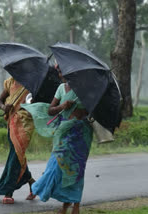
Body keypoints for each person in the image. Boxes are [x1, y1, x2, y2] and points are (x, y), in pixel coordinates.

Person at [22, 65, 93, 214]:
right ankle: (61, 202)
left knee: (76, 168)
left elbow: (91, 110)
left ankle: (75, 206)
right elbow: (50, 110)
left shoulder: (84, 89)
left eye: (62, 71)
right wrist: (62, 106)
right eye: (59, 71)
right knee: (56, 166)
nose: (60, 74)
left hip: (80, 134)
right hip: (63, 133)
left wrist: (82, 110)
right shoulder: (61, 88)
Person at [0, 77, 36, 204]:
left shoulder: (33, 83)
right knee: (17, 156)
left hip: (25, 124)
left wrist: (32, 102)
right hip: (11, 123)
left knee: (15, 156)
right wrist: (4, 107)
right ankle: (32, 184)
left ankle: (8, 192)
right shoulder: (10, 82)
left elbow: (38, 103)